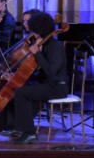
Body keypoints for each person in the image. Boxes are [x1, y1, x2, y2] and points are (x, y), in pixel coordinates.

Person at [10, 12, 68, 144]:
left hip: (57, 87)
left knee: (21, 93)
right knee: (22, 89)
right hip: (49, 84)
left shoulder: (55, 47)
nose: (32, 32)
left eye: (34, 29)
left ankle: (29, 133)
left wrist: (37, 54)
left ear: (40, 28)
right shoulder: (45, 44)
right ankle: (22, 129)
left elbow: (52, 72)